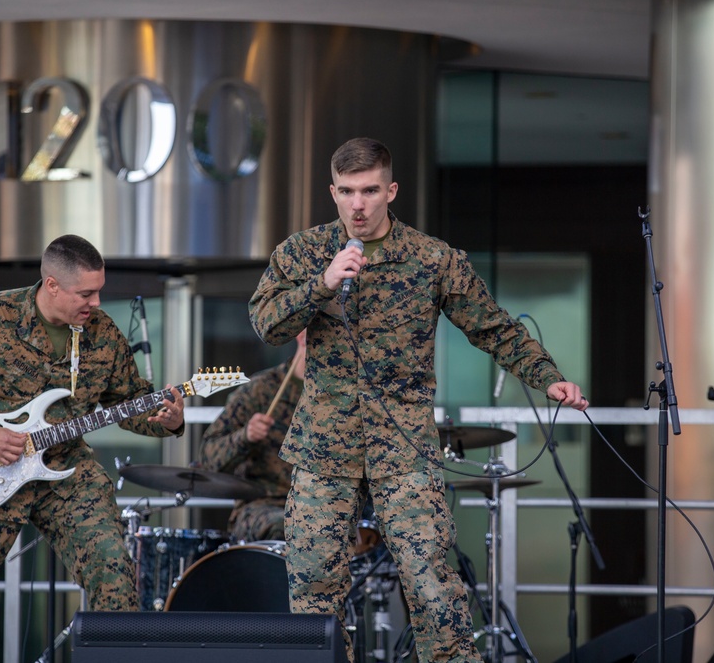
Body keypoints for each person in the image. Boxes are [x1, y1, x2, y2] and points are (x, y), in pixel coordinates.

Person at [248, 137, 589, 663]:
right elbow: (267, 324)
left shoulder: (432, 259)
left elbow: (494, 328)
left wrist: (548, 378)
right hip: (324, 444)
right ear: (332, 192)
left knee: (431, 582)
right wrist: (321, 283)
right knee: (314, 585)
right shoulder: (304, 252)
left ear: (391, 190)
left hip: (403, 447)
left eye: (369, 191)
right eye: (346, 192)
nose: (357, 204)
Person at [0, 235, 185, 662]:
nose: (96, 302)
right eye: (86, 293)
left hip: (64, 471)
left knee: (113, 568)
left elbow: (125, 400)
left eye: (99, 291)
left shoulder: (103, 333)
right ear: (52, 285)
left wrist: (166, 420)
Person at [199, 331, 305, 542]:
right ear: (302, 335)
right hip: (265, 504)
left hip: (326, 504)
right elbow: (208, 456)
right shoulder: (261, 389)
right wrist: (245, 436)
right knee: (291, 527)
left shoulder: (342, 396)